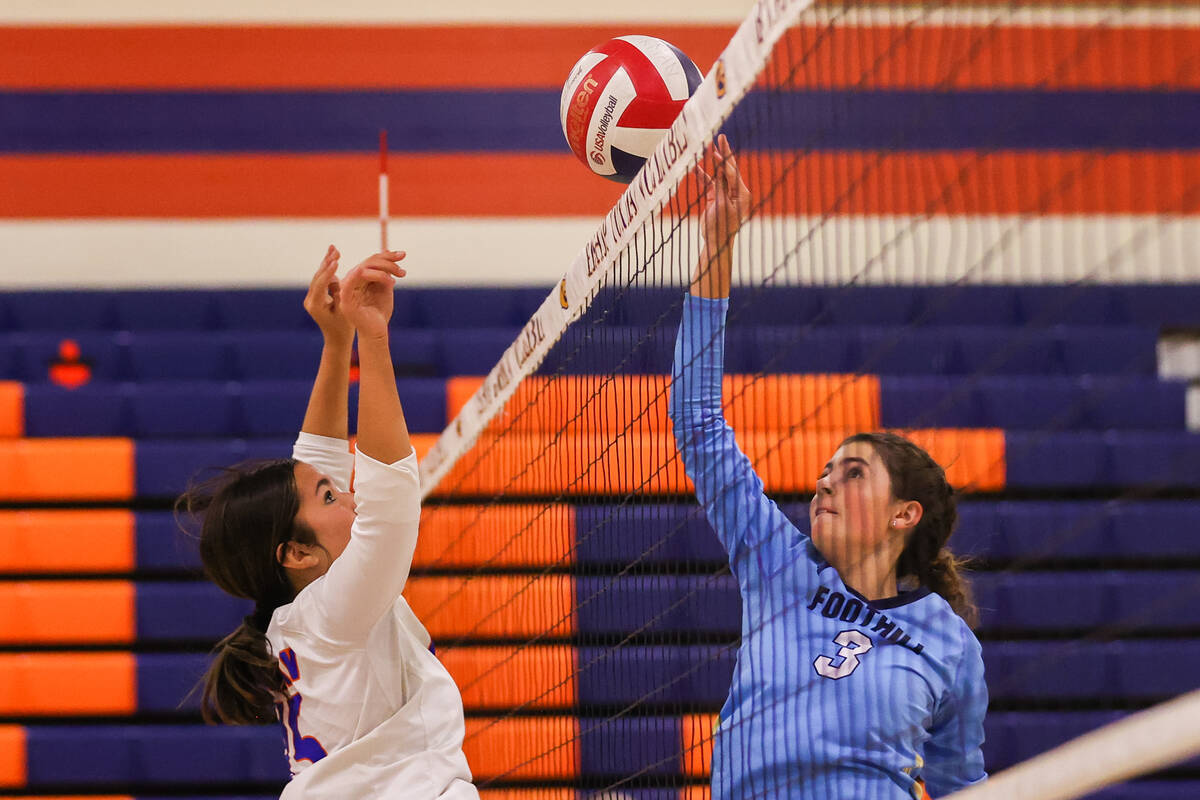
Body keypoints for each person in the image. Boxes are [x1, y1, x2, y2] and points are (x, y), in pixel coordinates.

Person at [668, 136, 987, 800]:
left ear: (906, 514)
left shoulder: (948, 645)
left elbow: (964, 785)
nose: (823, 483)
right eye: (825, 470)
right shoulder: (777, 563)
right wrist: (719, 246)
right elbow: (698, 422)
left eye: (853, 473)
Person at [178, 246, 478, 799]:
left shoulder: (300, 617)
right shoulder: (336, 611)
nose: (347, 495)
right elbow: (389, 501)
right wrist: (373, 338)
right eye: (329, 497)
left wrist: (337, 343)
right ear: (296, 553)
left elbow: (316, 463)